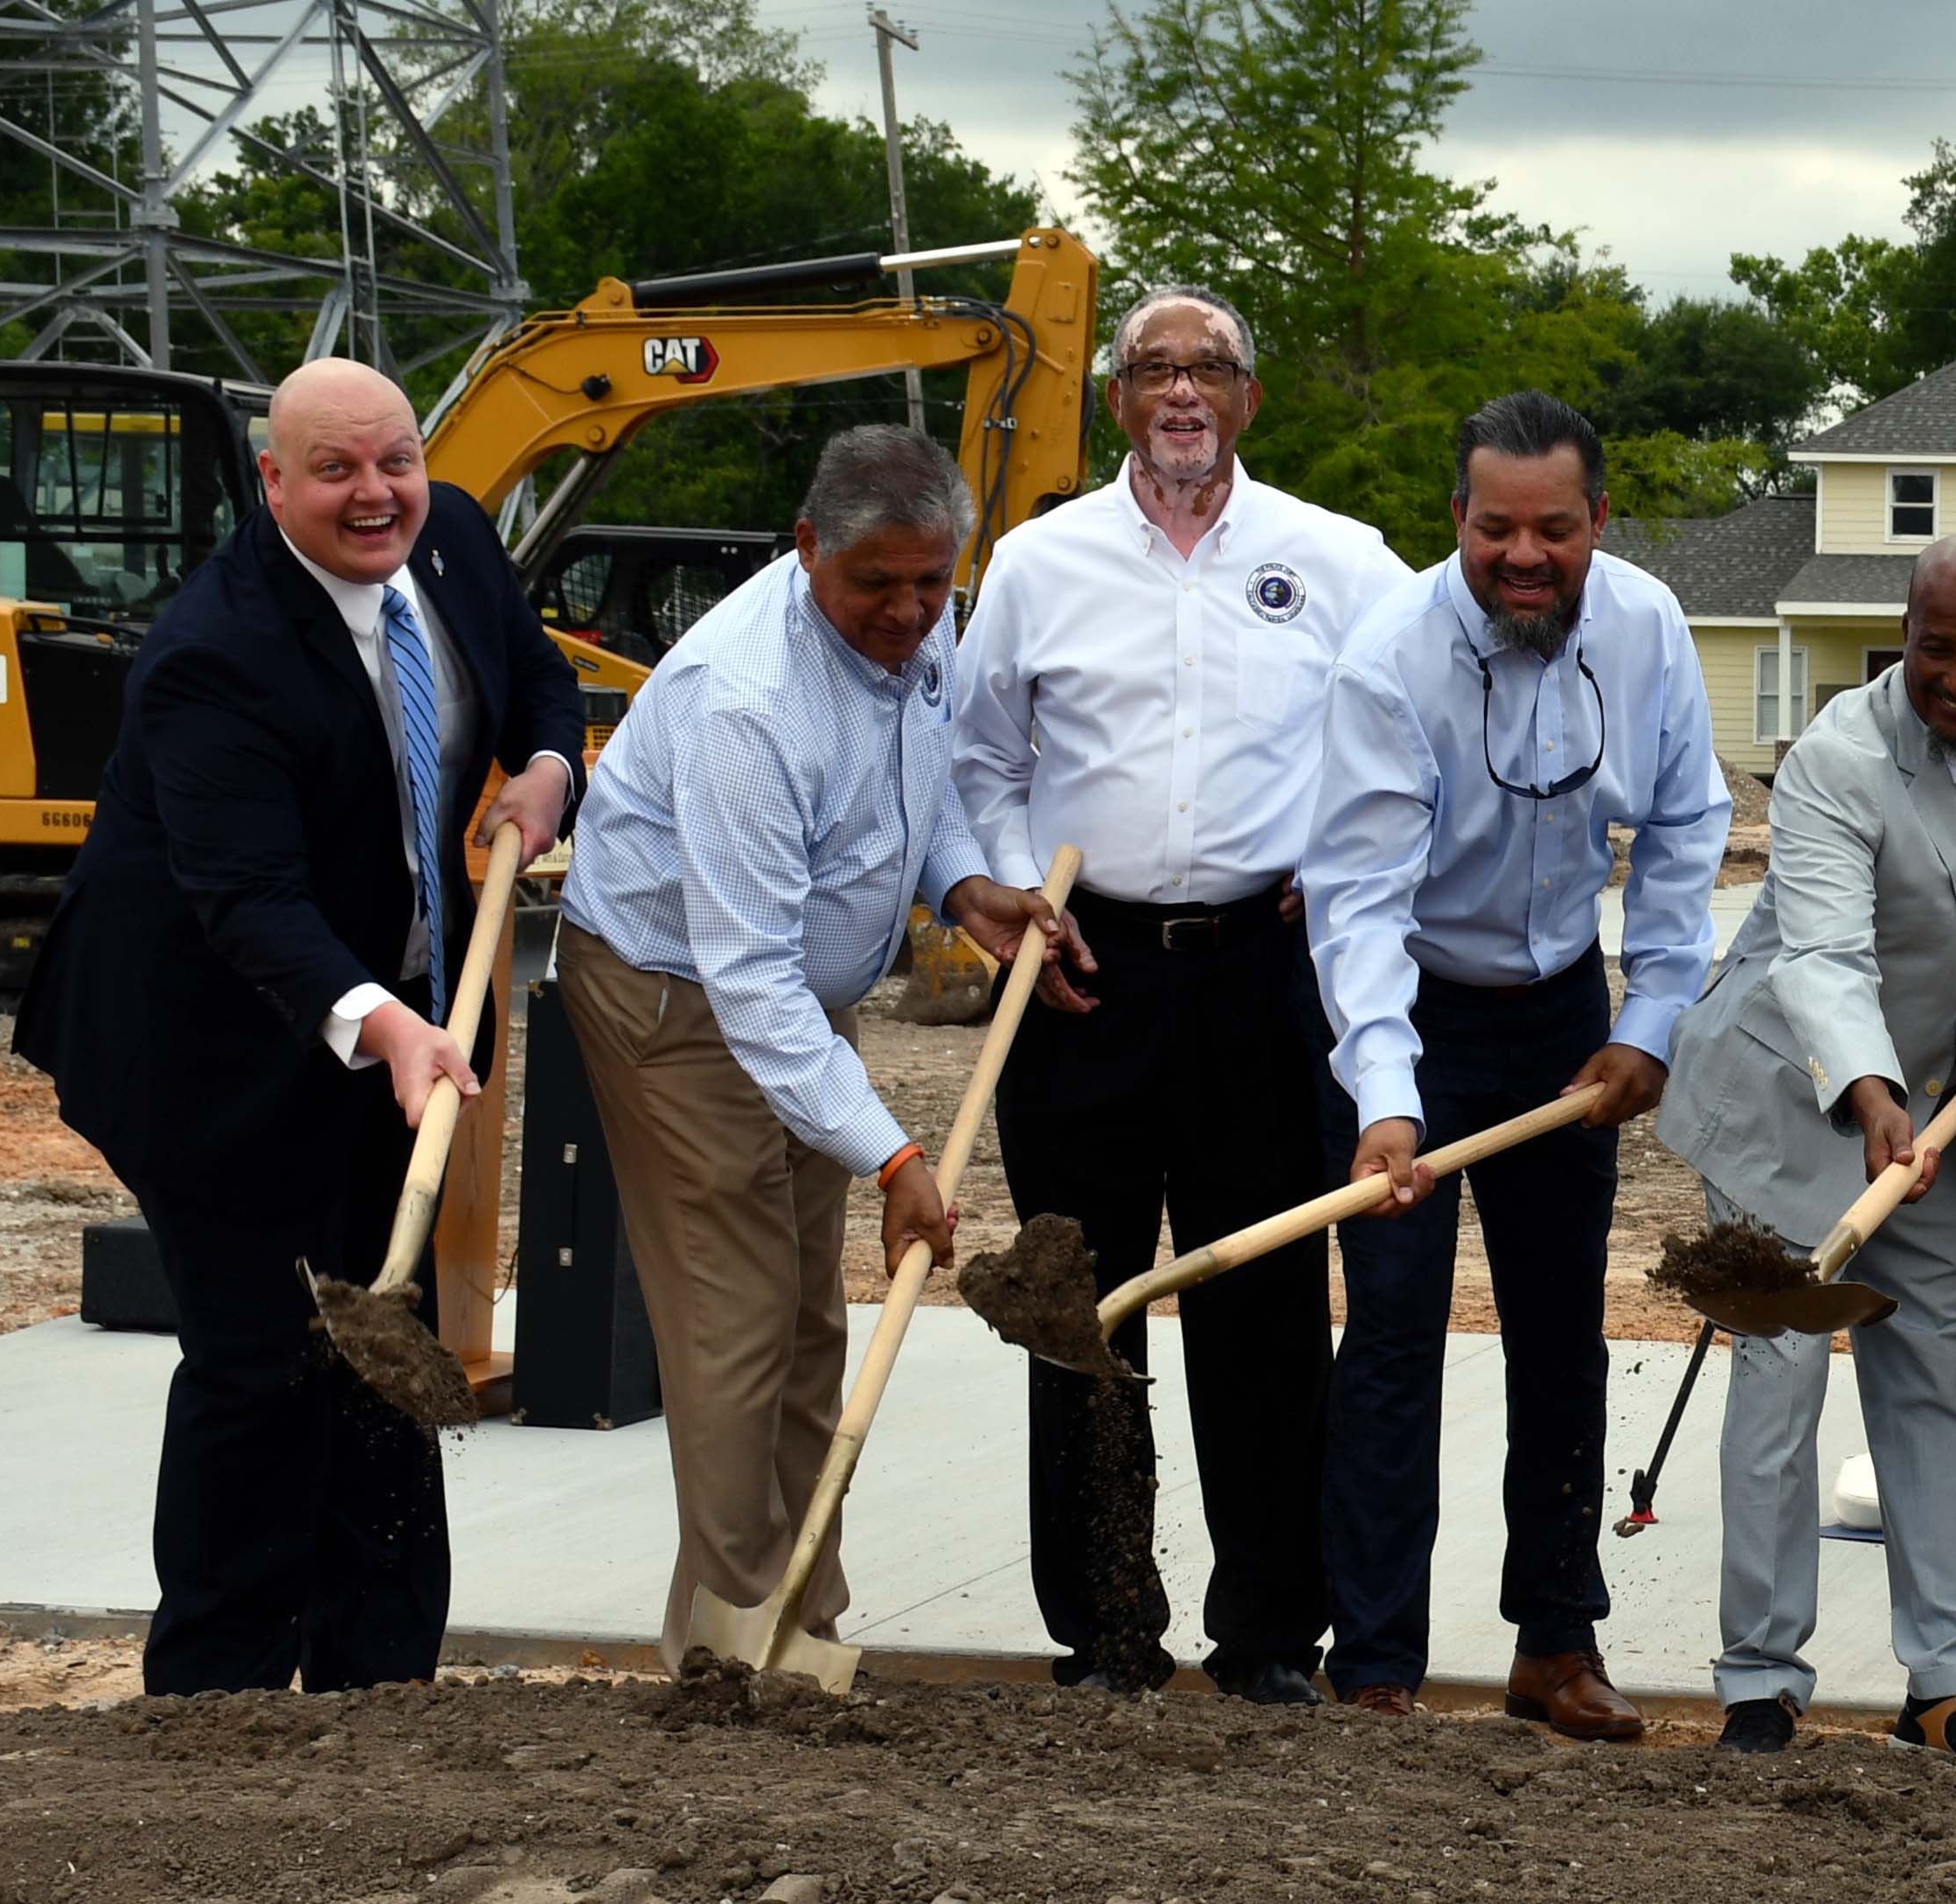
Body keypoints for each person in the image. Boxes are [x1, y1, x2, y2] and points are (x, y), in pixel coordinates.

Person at [15, 357, 584, 1694]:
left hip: (388, 1029)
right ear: (273, 481)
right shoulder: (214, 652)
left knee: (387, 1339)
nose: (375, 494)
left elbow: (538, 682)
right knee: (264, 1357)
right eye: (335, 471)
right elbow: (247, 900)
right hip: (204, 1040)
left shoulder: (448, 544)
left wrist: (548, 774)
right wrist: (385, 1027)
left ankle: (379, 1679)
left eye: (396, 460)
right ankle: (216, 1697)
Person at [950, 286, 1415, 1703]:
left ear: (1248, 399)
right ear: (1117, 402)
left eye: (1207, 369)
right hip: (1080, 974)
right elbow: (974, 761)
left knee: (1265, 1308)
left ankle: (1269, 1635)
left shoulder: (1339, 563)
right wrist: (1001, 882)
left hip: (1260, 981)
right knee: (1076, 1307)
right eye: (1152, 369)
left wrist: (1347, 849)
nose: (1180, 393)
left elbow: (1421, 728)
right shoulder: (1037, 563)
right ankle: (1102, 1629)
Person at [551, 426, 1060, 1669]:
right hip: (678, 1005)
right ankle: (732, 1655)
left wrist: (962, 885)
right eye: (873, 585)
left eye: (930, 584)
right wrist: (896, 1161)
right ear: (805, 549)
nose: (906, 613)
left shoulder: (926, 619)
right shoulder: (745, 701)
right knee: (734, 1324)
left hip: (791, 1010)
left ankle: (804, 1622)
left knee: (808, 1321)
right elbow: (751, 984)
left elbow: (918, 776)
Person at [1303, 391, 1727, 1733]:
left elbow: (1681, 834)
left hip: (1562, 1022)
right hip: (1414, 1014)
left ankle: (1555, 1645)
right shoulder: (1387, 658)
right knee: (1389, 1339)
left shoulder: (1649, 629)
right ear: (1457, 523)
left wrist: (1649, 1021)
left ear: (1599, 519)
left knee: (1563, 1340)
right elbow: (1357, 902)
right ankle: (1374, 1659)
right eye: (1497, 531)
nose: (1525, 557)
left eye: (1554, 528)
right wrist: (1383, 1098)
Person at [1654, 534, 1956, 1761]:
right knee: (1782, 1373)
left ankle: (1951, 1682)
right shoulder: (1839, 759)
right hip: (1792, 1090)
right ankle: (1759, 1680)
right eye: (1934, 651)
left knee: (1941, 1376)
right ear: (1902, 635)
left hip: (1940, 1104)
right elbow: (1821, 954)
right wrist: (1864, 1089)